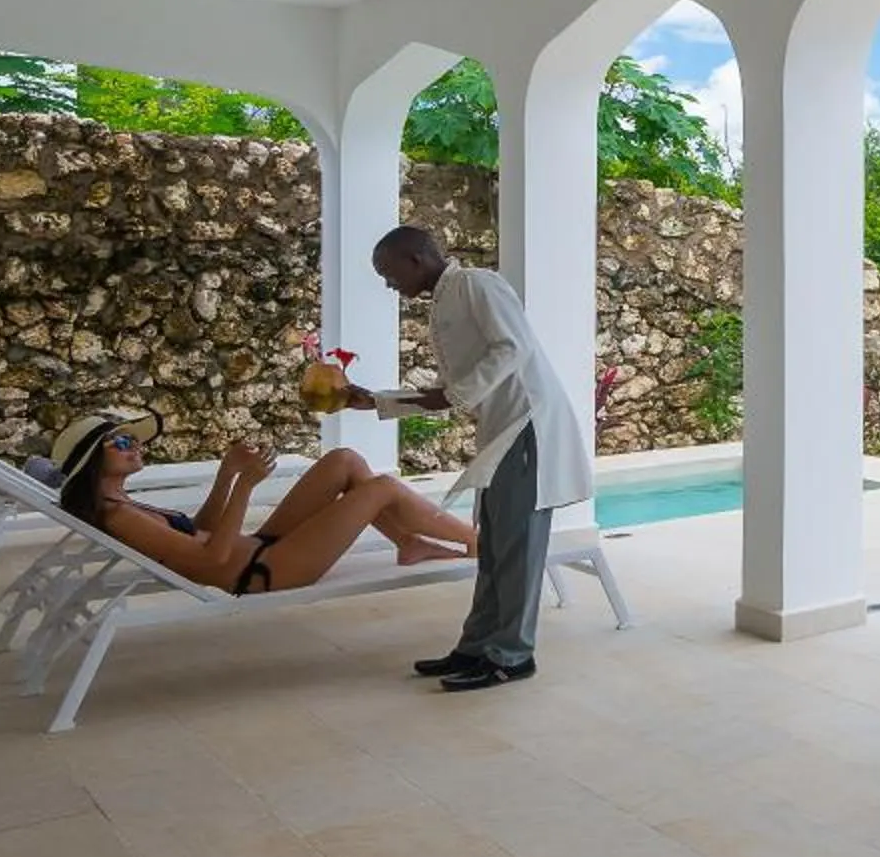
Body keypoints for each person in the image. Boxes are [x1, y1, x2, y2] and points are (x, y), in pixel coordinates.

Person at [358, 226, 592, 692]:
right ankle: (476, 646)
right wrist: (374, 401)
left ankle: (513, 655)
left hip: (528, 427)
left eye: (389, 273)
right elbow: (450, 392)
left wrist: (454, 395)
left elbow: (513, 347)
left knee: (517, 548)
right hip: (501, 432)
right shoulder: (446, 297)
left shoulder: (477, 284)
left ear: (416, 259)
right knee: (495, 546)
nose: (389, 284)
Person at [52, 409, 476, 597]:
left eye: (132, 440)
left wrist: (228, 473)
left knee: (344, 461)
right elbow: (213, 558)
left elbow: (199, 530)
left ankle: (408, 542)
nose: (135, 446)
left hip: (262, 550)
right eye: (122, 443)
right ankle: (476, 540)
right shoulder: (120, 516)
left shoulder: (123, 503)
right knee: (381, 487)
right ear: (92, 463)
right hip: (267, 571)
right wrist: (245, 487)